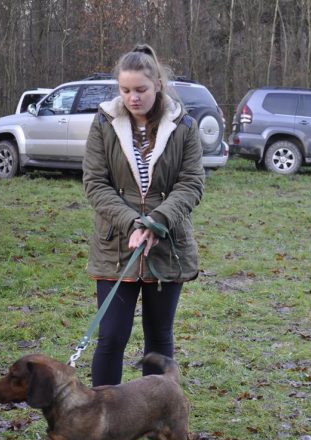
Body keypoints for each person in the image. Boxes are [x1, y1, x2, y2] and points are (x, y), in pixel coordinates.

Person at [82, 44, 205, 386]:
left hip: (167, 247)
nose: (132, 98)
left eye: (140, 90)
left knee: (159, 338)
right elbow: (94, 182)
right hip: (115, 247)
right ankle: (103, 422)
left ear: (158, 86)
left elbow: (192, 183)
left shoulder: (184, 126)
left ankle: (156, 417)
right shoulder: (104, 123)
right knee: (111, 337)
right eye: (125, 90)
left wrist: (158, 221)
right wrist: (132, 223)